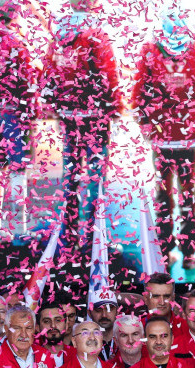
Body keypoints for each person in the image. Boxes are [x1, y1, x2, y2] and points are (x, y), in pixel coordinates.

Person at [132, 6, 195, 269]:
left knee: (187, 195)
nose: (173, 23)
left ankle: (189, 252)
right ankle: (166, 250)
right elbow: (138, 93)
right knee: (164, 195)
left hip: (189, 140)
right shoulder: (150, 50)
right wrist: (147, 127)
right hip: (162, 140)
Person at [42, 0, 122, 258]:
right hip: (95, 116)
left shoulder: (58, 33)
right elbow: (108, 73)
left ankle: (67, 239)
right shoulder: (96, 33)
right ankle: (92, 239)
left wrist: (55, 105)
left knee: (71, 175)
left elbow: (48, 71)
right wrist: (115, 108)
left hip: (68, 114)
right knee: (96, 178)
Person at [0, 1, 37, 239]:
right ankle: (20, 227)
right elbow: (28, 84)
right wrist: (32, 112)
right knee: (17, 171)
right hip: (16, 114)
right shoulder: (18, 44)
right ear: (15, 16)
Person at [37, 301, 72, 366]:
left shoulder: (77, 356)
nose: (53, 326)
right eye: (47, 321)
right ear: (37, 327)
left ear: (66, 325)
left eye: (58, 320)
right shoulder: (31, 357)